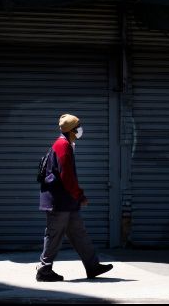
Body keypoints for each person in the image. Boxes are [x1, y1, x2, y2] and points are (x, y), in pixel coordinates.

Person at [36, 113, 114, 282]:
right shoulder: (62, 146)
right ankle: (44, 269)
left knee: (79, 233)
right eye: (78, 127)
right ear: (72, 130)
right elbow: (67, 177)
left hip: (67, 202)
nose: (80, 130)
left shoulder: (65, 144)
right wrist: (80, 195)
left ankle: (93, 266)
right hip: (59, 202)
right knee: (54, 234)